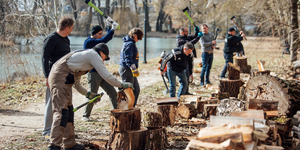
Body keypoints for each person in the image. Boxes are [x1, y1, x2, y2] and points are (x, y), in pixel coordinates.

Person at [47, 43, 133, 150]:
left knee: (68, 111)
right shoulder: (93, 55)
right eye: (104, 58)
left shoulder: (84, 60)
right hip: (59, 77)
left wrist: (89, 94)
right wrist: (121, 85)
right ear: (101, 53)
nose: (103, 61)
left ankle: (70, 144)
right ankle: (54, 145)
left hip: (65, 78)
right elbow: (106, 75)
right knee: (61, 112)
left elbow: (77, 84)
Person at [42, 16, 74, 140]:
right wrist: (47, 77)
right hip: (53, 77)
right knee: (51, 104)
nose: (72, 30)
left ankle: (65, 131)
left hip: (65, 76)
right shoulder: (51, 39)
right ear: (66, 28)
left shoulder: (66, 40)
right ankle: (47, 131)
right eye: (71, 28)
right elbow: (45, 58)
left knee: (66, 105)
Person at [82, 21, 119, 121]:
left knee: (112, 92)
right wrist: (112, 30)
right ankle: (85, 116)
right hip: (93, 73)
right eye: (99, 34)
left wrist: (108, 27)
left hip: (101, 72)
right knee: (93, 94)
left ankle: (117, 112)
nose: (100, 36)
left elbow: (104, 39)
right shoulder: (88, 42)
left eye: (101, 34)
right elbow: (104, 40)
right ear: (93, 33)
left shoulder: (96, 41)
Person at [119, 27, 144, 107]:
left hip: (129, 70)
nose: (139, 40)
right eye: (139, 38)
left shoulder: (129, 43)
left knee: (136, 89)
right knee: (128, 91)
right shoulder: (130, 44)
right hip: (127, 70)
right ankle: (126, 108)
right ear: (135, 35)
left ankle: (131, 106)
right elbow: (128, 59)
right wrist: (134, 69)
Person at [176, 26, 203, 94]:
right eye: (186, 32)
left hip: (189, 59)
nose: (188, 33)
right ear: (182, 32)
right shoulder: (180, 40)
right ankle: (183, 92)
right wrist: (198, 37)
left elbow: (192, 37)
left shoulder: (186, 37)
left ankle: (186, 91)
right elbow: (190, 43)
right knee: (184, 78)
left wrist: (196, 32)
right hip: (183, 61)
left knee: (188, 76)